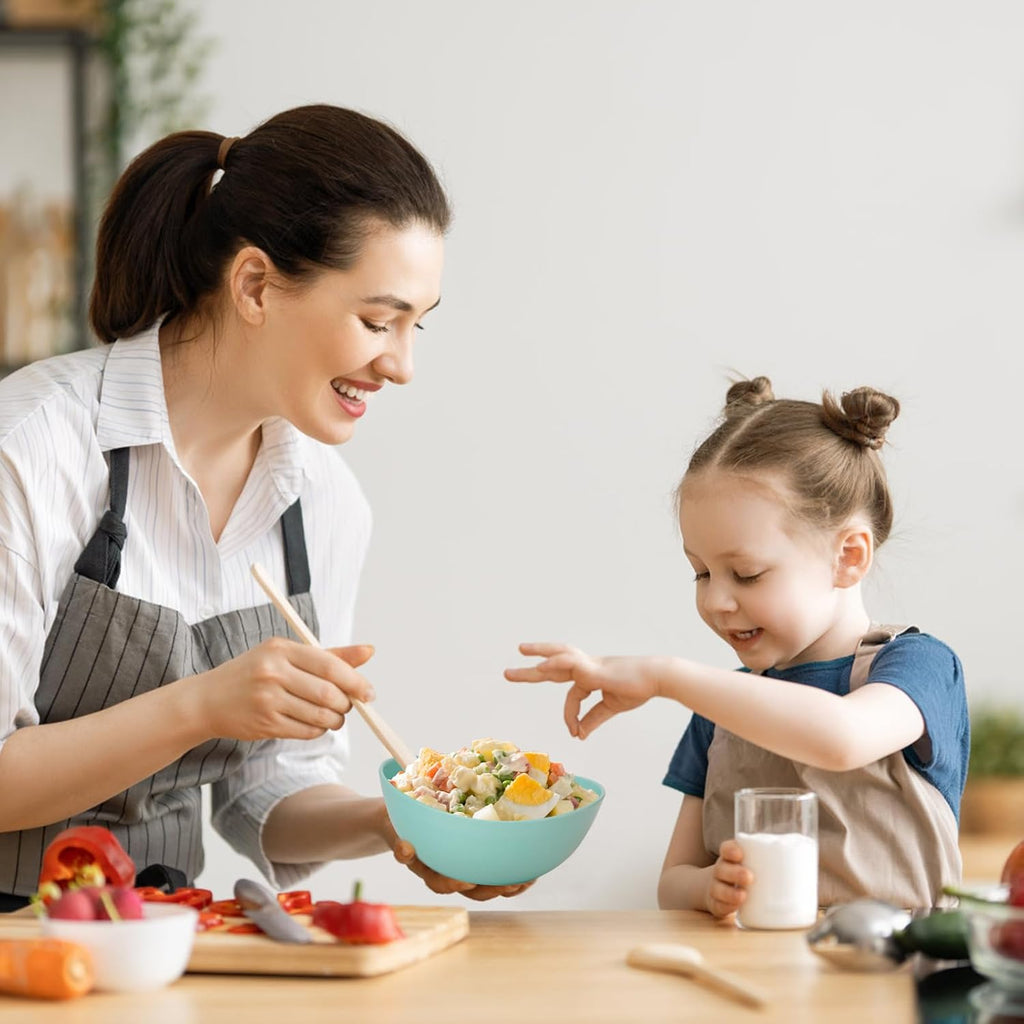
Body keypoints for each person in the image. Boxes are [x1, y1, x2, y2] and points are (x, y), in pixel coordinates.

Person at [0, 103, 528, 910]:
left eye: (418, 326)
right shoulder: (34, 447)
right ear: (253, 285)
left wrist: (398, 822)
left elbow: (267, 795)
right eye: (378, 321)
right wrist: (202, 704)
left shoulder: (322, 502)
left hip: (166, 935)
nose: (403, 365)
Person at [506, 376, 968, 913]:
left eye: (746, 574)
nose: (716, 601)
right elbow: (674, 880)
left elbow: (841, 738)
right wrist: (708, 890)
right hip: (755, 980)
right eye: (700, 573)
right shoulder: (722, 707)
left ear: (848, 557)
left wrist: (665, 677)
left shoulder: (917, 666)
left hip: (889, 986)